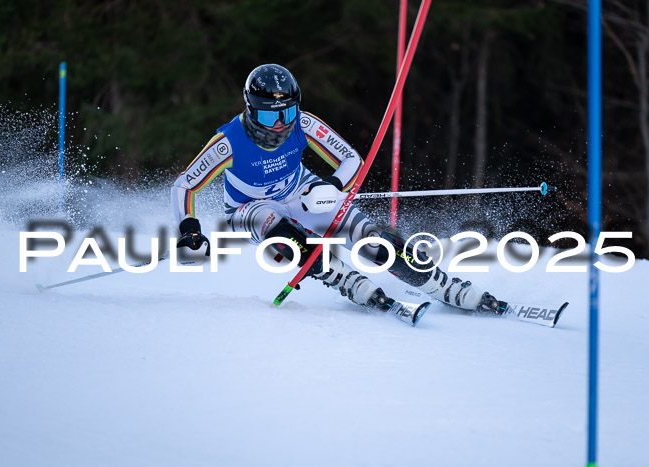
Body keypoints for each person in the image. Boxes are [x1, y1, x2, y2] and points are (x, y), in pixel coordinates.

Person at [171, 64, 500, 325]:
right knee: (284, 233)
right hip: (248, 208)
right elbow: (184, 184)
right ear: (251, 110)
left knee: (375, 239)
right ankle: (340, 276)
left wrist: (330, 187)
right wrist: (189, 228)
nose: (279, 125)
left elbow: (351, 159)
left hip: (300, 190)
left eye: (286, 113)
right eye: (270, 116)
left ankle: (441, 284)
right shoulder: (229, 141)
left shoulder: (303, 124)